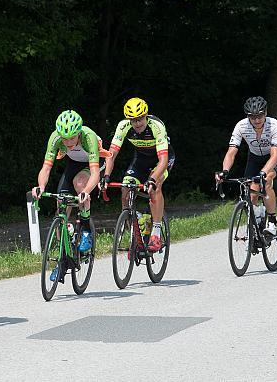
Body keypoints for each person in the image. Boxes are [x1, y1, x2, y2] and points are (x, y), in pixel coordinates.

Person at [31, 110, 102, 280]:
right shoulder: (56, 137)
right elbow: (46, 168)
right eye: (65, 138)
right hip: (74, 163)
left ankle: (86, 231)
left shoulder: (88, 137)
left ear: (78, 133)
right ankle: (62, 259)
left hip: (93, 164)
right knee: (61, 204)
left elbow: (94, 173)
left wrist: (85, 192)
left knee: (79, 184)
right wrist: (40, 186)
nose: (68, 142)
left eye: (72, 138)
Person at [101, 97, 174, 252]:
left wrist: (152, 179)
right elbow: (111, 155)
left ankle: (155, 232)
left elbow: (163, 159)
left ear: (146, 116)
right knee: (125, 188)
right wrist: (106, 177)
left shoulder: (157, 126)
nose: (137, 123)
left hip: (160, 160)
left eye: (140, 119)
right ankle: (135, 232)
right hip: (140, 159)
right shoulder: (123, 126)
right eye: (133, 120)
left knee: (155, 187)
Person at [215, 96, 277, 239]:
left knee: (266, 182)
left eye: (259, 116)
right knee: (251, 191)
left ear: (265, 113)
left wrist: (264, 173)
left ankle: (272, 222)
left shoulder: (274, 125)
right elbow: (231, 152)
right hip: (254, 158)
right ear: (248, 117)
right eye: (253, 117)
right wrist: (224, 171)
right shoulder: (241, 126)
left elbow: (275, 155)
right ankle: (255, 221)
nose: (257, 120)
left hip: (273, 157)